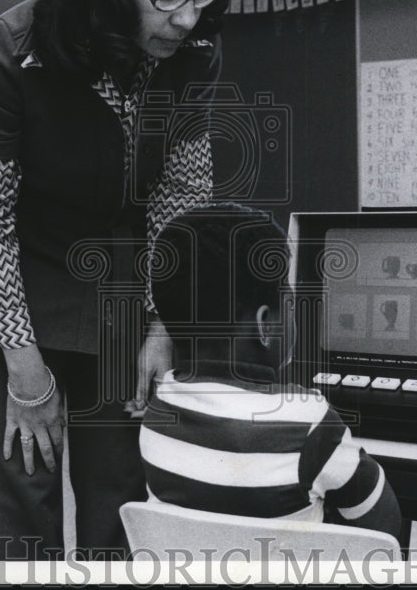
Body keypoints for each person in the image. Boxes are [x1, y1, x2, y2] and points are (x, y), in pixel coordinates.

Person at [0, 0, 229, 560]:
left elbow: (180, 195)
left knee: (122, 495)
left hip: (122, 290)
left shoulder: (191, 55)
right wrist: (23, 366)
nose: (188, 15)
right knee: (25, 490)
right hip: (19, 281)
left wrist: (165, 318)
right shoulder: (11, 52)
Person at [141, 203, 402, 539]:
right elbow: (382, 527)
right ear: (265, 325)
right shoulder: (310, 423)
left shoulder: (158, 413)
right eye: (288, 297)